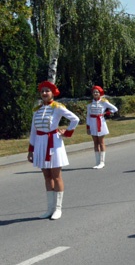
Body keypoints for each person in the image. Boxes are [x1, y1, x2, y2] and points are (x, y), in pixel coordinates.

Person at [27, 81, 80, 220]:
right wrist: (31, 149)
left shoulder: (58, 107)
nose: (44, 93)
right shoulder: (37, 110)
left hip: (54, 143)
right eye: (42, 91)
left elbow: (75, 119)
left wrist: (67, 133)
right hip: (40, 143)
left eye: (47, 91)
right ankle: (49, 209)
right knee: (46, 176)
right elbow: (33, 131)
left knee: (56, 176)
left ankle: (58, 208)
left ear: (53, 93)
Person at [86, 86, 118, 169]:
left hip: (101, 123)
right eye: (94, 92)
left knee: (101, 142)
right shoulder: (90, 103)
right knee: (95, 143)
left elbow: (115, 109)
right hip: (93, 123)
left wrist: (107, 113)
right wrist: (88, 127)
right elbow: (88, 116)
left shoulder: (104, 102)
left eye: (97, 92)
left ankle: (102, 162)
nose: (95, 93)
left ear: (100, 93)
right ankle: (97, 162)